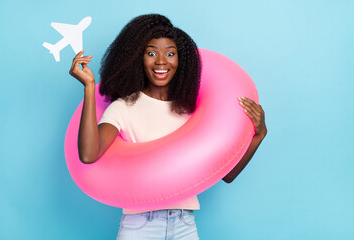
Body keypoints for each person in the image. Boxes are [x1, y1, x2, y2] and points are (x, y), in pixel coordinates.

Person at [69, 14, 267, 240]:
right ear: (138, 58)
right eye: (151, 53)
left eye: (170, 53)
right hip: (140, 225)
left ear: (180, 60)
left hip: (184, 223)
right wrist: (89, 86)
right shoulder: (124, 107)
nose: (161, 61)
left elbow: (226, 175)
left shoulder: (190, 112)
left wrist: (257, 137)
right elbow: (88, 154)